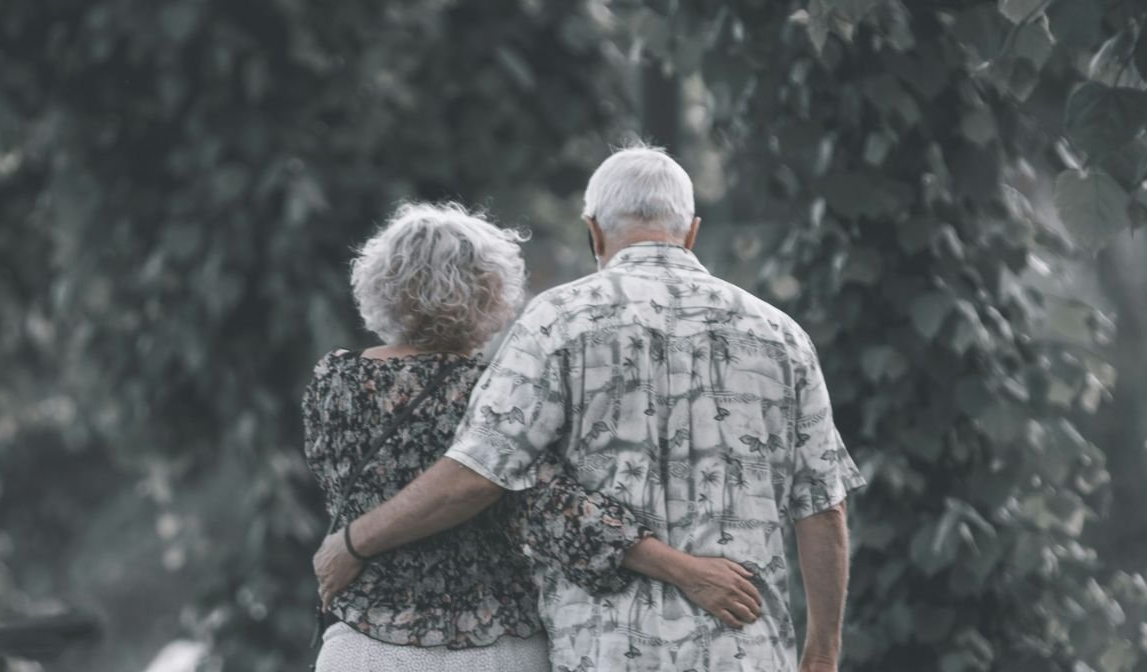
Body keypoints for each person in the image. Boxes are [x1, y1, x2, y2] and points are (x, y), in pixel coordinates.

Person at [315, 146, 867, 670]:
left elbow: (482, 474)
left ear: (594, 231)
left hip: (600, 649)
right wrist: (821, 653)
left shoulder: (556, 322)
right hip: (742, 646)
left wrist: (353, 542)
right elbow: (823, 506)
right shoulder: (781, 335)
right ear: (692, 231)